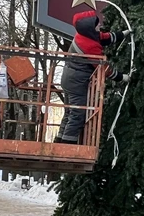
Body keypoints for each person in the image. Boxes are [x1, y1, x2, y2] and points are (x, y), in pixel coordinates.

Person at [54, 10, 128, 145]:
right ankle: (67, 145)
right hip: (76, 82)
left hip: (68, 78)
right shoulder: (89, 46)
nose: (99, 27)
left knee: (69, 111)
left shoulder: (84, 36)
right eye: (96, 25)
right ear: (89, 27)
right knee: (78, 113)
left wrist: (122, 34)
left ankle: (59, 140)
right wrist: (121, 77)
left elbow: (103, 37)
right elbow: (102, 67)